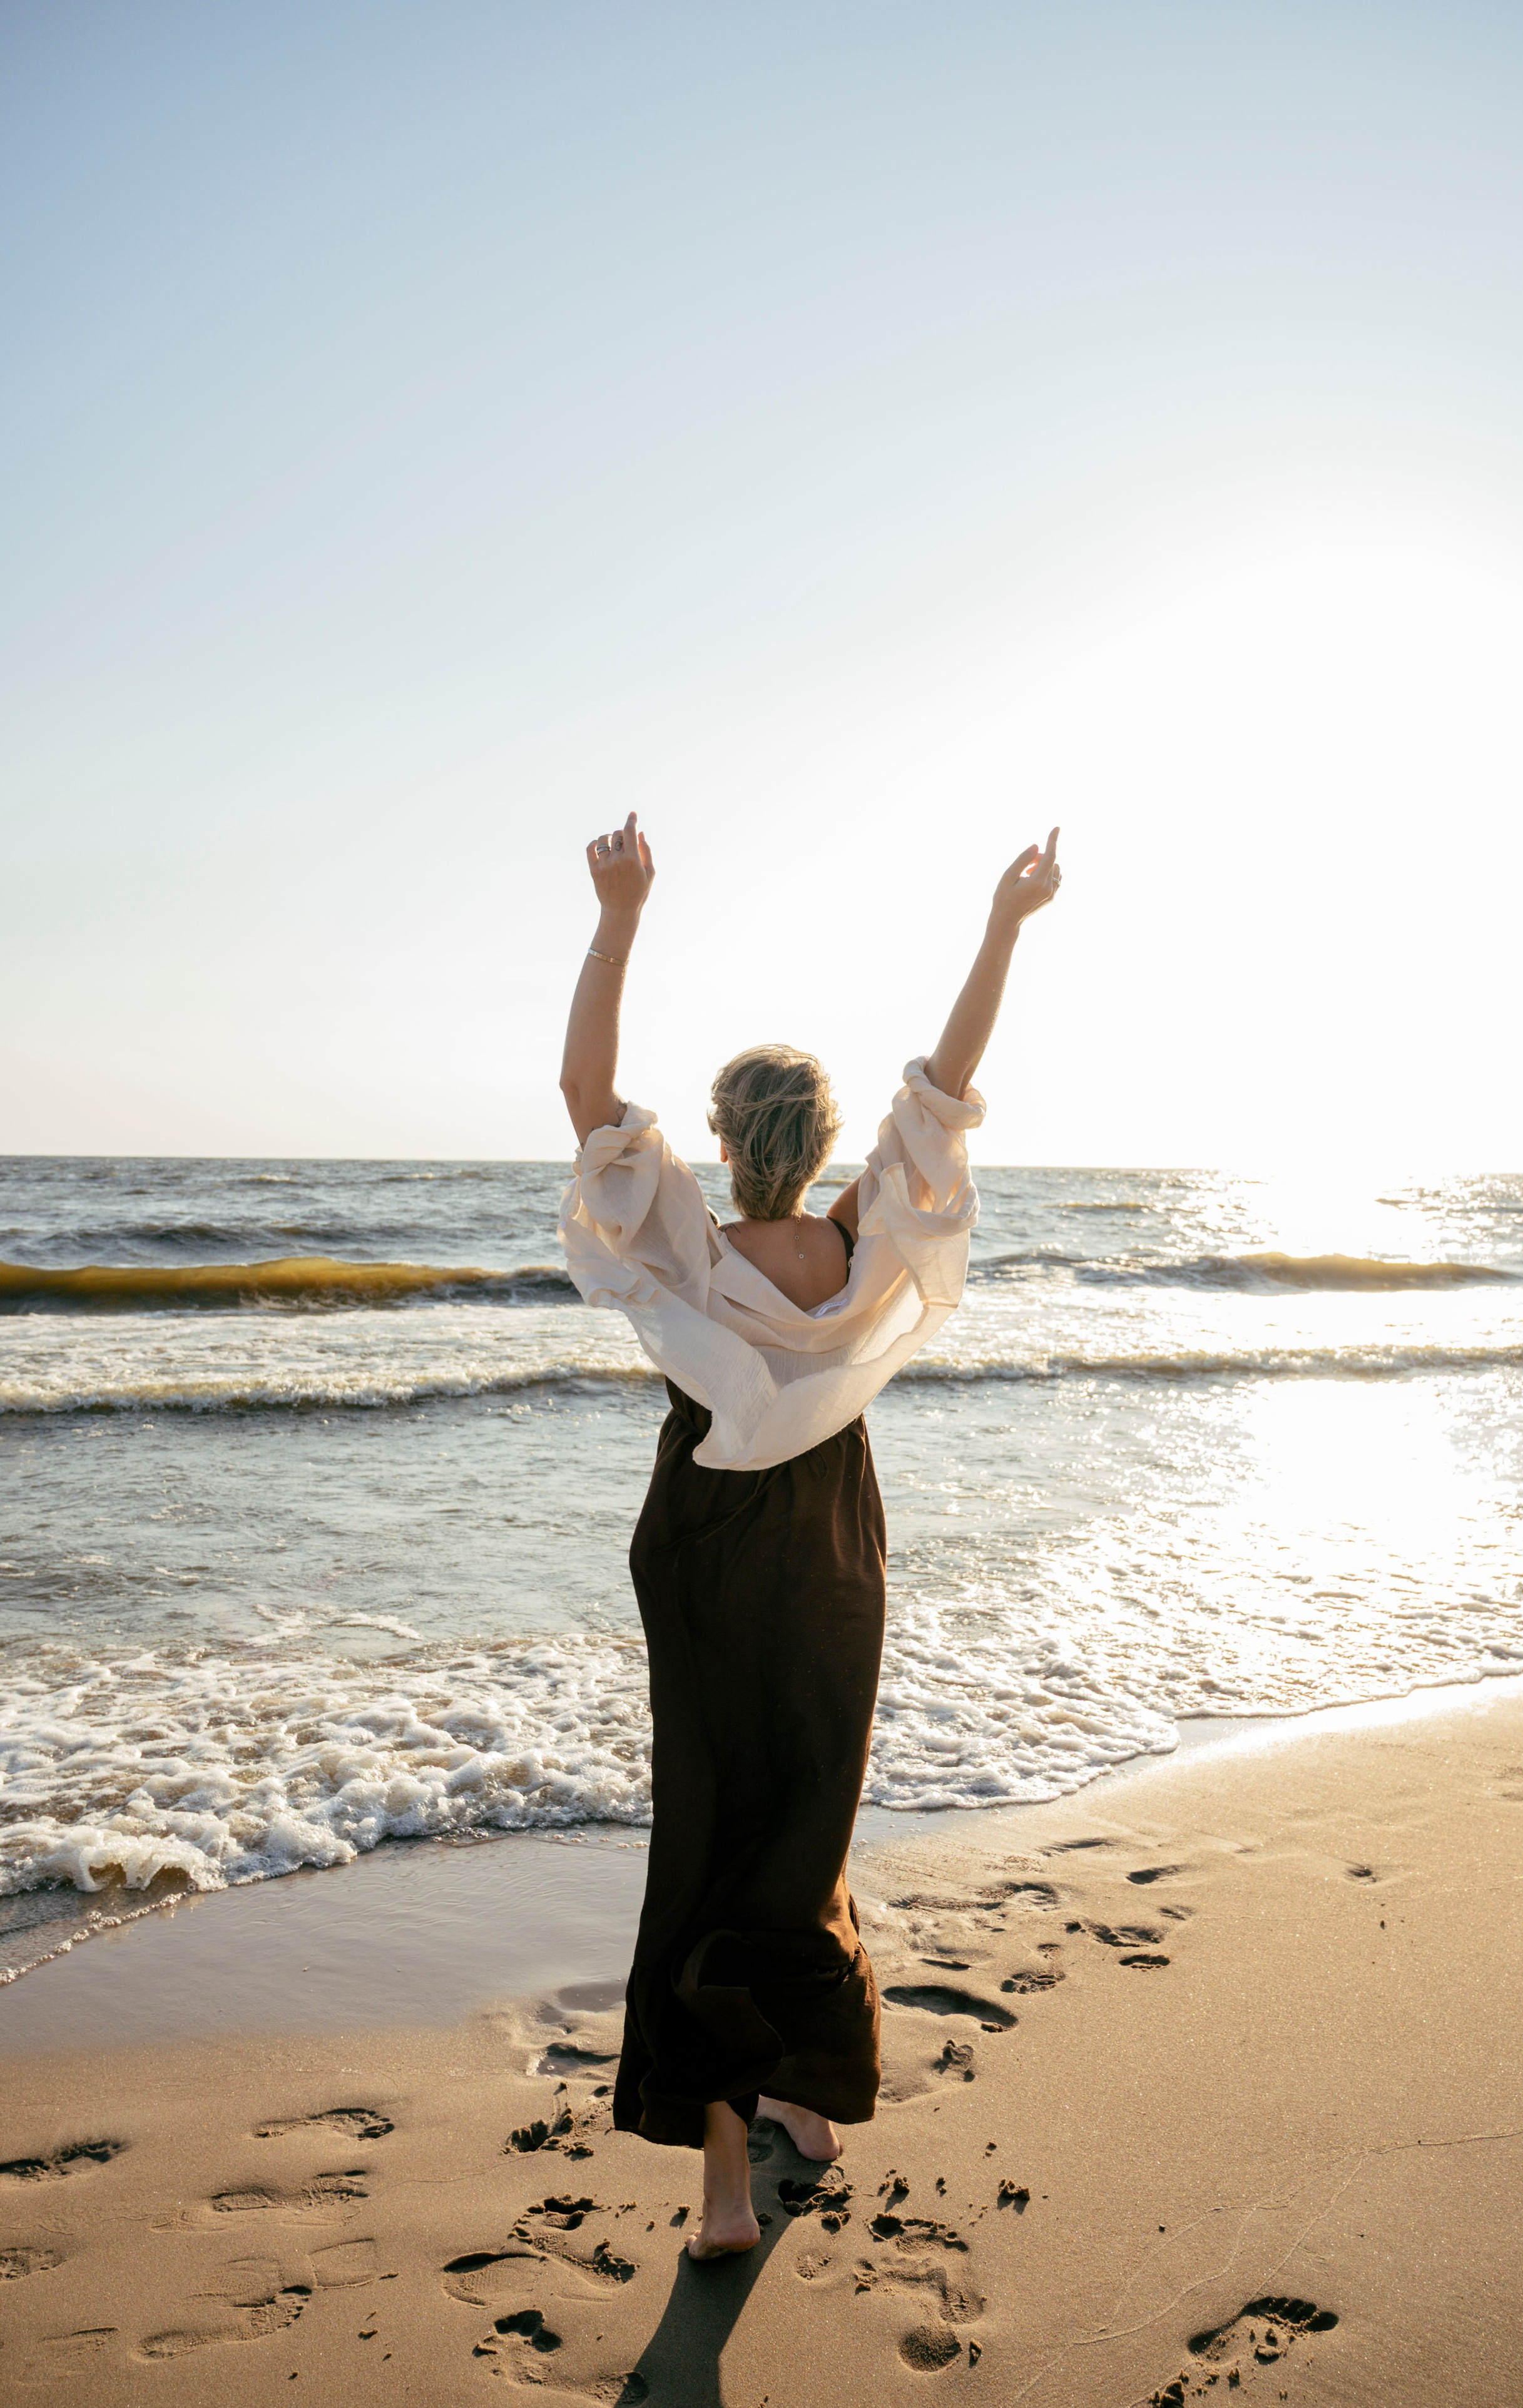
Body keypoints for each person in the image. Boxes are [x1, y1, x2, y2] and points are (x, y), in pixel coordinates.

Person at [558, 810, 1061, 2259]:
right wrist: (1003, 921)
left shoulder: (683, 1247)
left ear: (717, 1143)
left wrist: (621, 911)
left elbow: (585, 1085)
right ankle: (801, 2083)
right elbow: (948, 1083)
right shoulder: (858, 1249)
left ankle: (727, 2176)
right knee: (806, 1815)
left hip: (705, 1538)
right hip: (834, 1538)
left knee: (710, 1821)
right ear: (829, 1144)